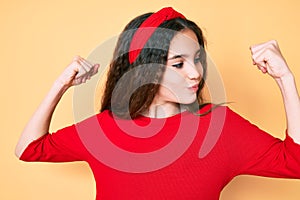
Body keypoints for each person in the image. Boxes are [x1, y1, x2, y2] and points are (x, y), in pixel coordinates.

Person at [15, 7, 300, 200]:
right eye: (179, 63)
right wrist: (60, 85)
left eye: (197, 59)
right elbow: (28, 149)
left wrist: (286, 79)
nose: (196, 73)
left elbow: (296, 163)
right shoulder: (105, 130)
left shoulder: (219, 127)